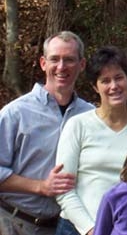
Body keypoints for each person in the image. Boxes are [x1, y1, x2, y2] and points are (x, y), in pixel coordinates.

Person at [0, 31, 94, 235]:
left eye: (69, 59)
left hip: (62, 228)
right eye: (55, 59)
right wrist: (41, 186)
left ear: (82, 65)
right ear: (43, 63)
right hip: (13, 223)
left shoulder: (90, 115)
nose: (61, 67)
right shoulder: (15, 113)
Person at [55, 46, 127, 235]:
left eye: (118, 77)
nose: (114, 86)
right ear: (94, 87)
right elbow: (63, 189)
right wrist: (91, 229)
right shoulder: (78, 125)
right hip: (76, 228)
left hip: (126, 228)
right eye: (105, 81)